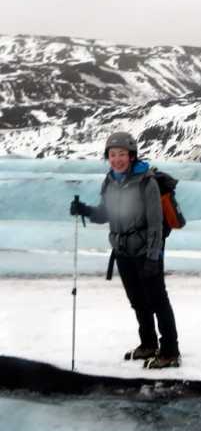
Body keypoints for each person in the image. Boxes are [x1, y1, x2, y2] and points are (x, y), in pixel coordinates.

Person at [69, 131, 181, 369]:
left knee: (158, 301)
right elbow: (105, 214)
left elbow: (154, 223)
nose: (117, 159)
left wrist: (153, 255)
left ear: (131, 156)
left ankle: (170, 351)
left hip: (145, 251)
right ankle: (148, 344)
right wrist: (84, 210)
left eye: (122, 154)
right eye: (112, 154)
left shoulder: (146, 182)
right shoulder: (110, 181)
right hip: (122, 252)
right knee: (138, 301)